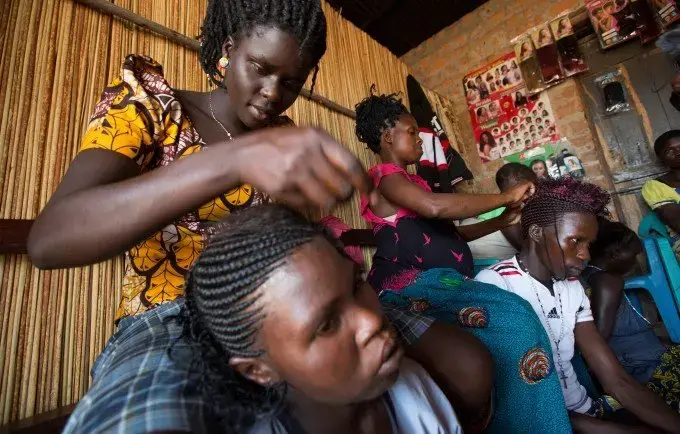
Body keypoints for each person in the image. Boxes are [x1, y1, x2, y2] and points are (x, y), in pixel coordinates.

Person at [63, 204, 463, 433]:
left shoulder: (413, 390)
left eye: (357, 284)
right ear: (259, 370)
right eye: (325, 324)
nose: (370, 321)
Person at [476, 178, 680, 433]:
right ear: (537, 233)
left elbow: (617, 380)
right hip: (542, 423)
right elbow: (517, 399)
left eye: (589, 245)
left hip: (588, 410)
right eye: (575, 241)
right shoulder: (495, 286)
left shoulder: (571, 287)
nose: (585, 255)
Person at [354, 90, 533, 291]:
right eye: (412, 132)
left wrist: (502, 221)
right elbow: (434, 207)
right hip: (405, 289)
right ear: (388, 137)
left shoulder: (415, 184)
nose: (420, 139)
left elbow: (454, 235)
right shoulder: (384, 179)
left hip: (444, 282)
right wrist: (507, 197)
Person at [582, 220, 679, 409]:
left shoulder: (588, 276)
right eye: (634, 255)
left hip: (637, 359)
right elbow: (598, 338)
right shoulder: (608, 282)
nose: (635, 261)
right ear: (616, 254)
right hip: (643, 368)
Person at [464, 163, 537, 260]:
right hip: (475, 241)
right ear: (503, 193)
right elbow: (522, 247)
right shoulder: (509, 209)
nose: (520, 197)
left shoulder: (526, 204)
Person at [642, 130, 680, 260]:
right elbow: (676, 220)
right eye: (669, 151)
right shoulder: (655, 186)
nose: (678, 152)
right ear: (662, 160)